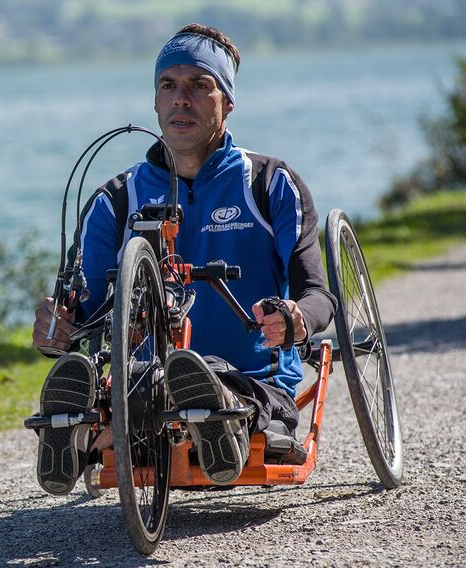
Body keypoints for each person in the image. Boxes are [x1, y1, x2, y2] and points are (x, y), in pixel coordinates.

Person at [31, 23, 337, 496]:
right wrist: (61, 326)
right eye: (168, 86)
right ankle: (76, 420)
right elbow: (88, 310)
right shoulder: (115, 199)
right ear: (154, 103)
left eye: (199, 85)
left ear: (227, 101)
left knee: (218, 384)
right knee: (119, 379)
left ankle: (211, 410)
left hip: (253, 375)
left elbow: (317, 294)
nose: (181, 99)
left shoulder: (271, 183)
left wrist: (297, 320)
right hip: (145, 381)